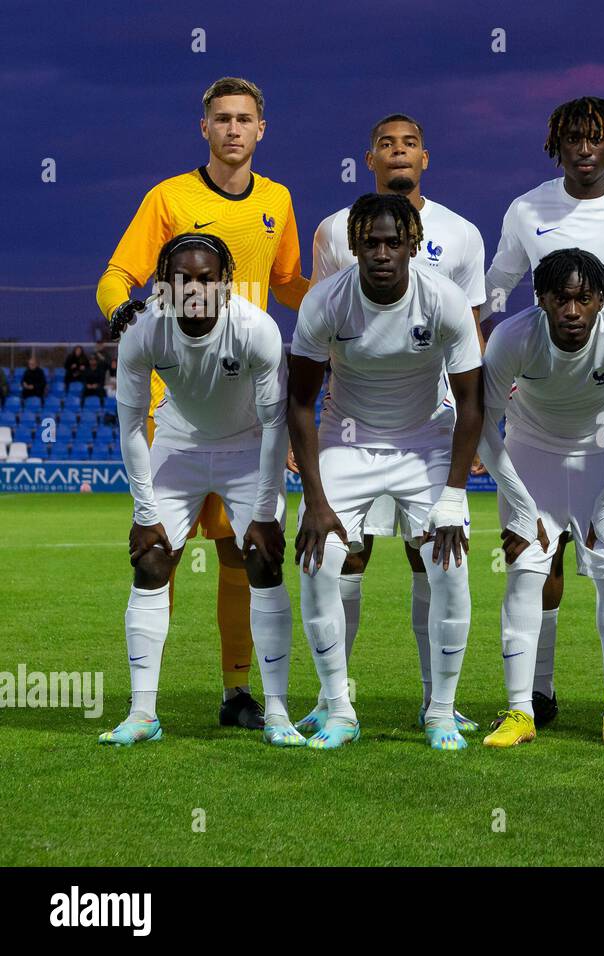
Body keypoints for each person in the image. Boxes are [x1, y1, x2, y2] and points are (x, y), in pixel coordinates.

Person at [95, 76, 310, 730]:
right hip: (177, 404)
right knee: (159, 551)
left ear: (261, 129)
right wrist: (125, 315)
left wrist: (347, 299)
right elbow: (117, 276)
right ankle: (145, 708)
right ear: (206, 128)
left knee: (240, 556)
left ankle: (240, 693)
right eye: (223, 118)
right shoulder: (169, 197)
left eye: (245, 118)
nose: (234, 129)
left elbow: (290, 284)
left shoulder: (278, 201)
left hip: (246, 398)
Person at [484, 96, 604, 733]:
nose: (583, 147)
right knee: (539, 554)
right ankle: (534, 694)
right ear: (556, 144)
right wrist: (502, 368)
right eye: (572, 137)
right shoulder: (526, 210)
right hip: (541, 402)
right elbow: (494, 291)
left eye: (595, 138)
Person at [299, 112, 486, 737]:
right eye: (370, 243)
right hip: (347, 436)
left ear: (412, 244)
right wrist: (315, 500)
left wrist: (455, 495)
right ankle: (338, 708)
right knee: (323, 559)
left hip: (425, 438)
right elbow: (301, 401)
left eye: (392, 242)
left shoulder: (446, 300)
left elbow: (472, 401)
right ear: (354, 246)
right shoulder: (325, 301)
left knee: (448, 563)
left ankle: (439, 713)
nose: (381, 252)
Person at [99, 233, 296, 747]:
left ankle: (276, 712)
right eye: (181, 279)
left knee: (262, 558)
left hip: (246, 448)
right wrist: (145, 512)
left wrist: (264, 510)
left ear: (226, 284)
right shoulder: (145, 333)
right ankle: (143, 714)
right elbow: (131, 428)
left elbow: (276, 425)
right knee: (151, 559)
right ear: (163, 285)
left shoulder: (257, 330)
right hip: (179, 448)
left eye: (206, 279)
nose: (194, 289)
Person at [476, 248, 604, 748]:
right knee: (523, 572)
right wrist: (519, 505)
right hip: (532, 455)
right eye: (561, 299)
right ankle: (520, 712)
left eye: (584, 299)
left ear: (601, 299)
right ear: (542, 299)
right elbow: (482, 427)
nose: (573, 311)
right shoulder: (513, 337)